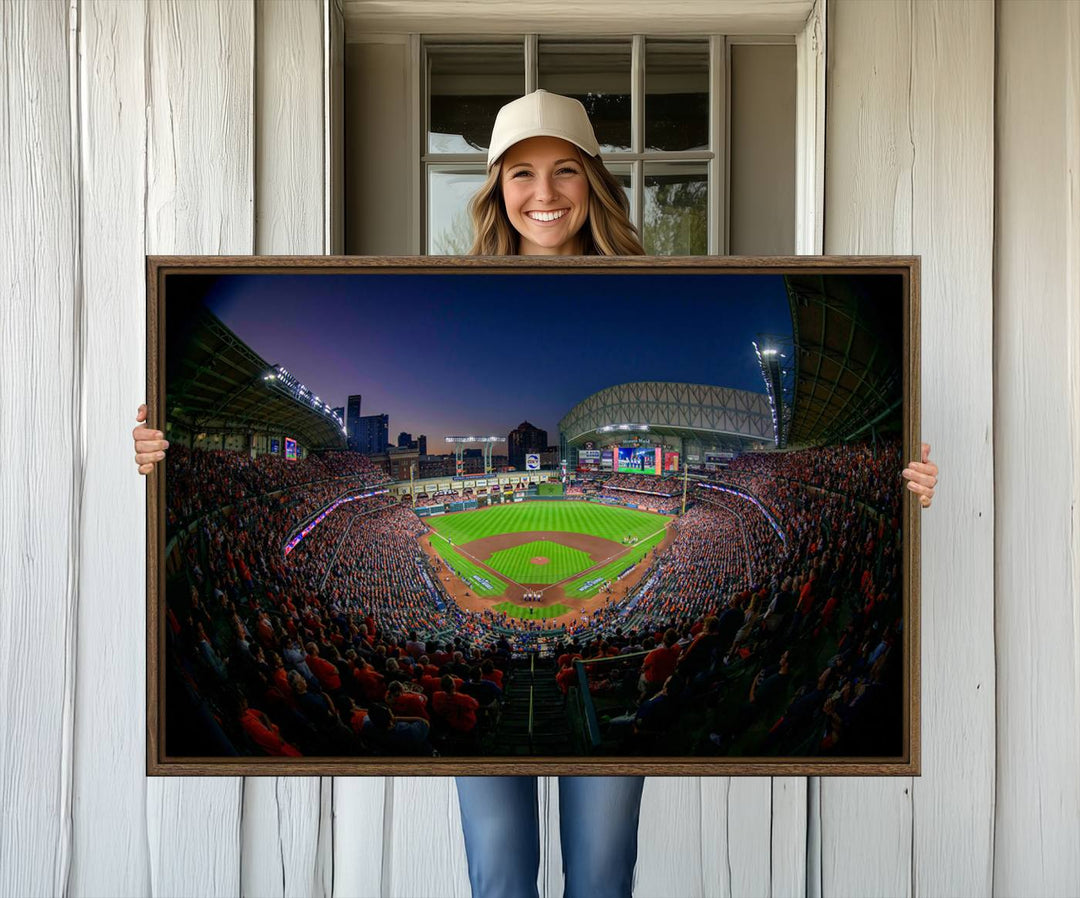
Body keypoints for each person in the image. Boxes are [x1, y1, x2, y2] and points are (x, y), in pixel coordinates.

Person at [132, 89, 940, 898]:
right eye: (521, 173)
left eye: (564, 171)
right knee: (501, 873)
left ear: (593, 181)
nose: (544, 193)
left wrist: (899, 479)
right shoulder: (451, 282)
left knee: (600, 873)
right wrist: (163, 447)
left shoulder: (649, 281)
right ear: (495, 188)